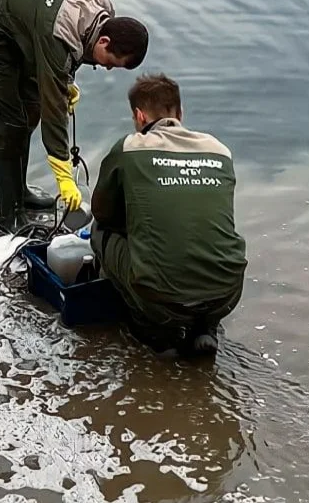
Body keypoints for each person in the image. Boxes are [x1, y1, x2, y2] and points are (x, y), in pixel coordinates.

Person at [0, 0, 149, 235]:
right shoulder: (60, 32)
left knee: (29, 114)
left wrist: (65, 82)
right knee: (9, 125)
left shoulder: (101, 9)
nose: (106, 69)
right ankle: (7, 217)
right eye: (111, 63)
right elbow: (54, 112)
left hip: (19, 29)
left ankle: (17, 194)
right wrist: (64, 177)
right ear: (105, 40)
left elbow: (70, 53)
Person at [89, 73, 247, 356]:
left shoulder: (129, 147)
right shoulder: (219, 150)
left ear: (139, 116)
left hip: (160, 297)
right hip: (227, 292)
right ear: (181, 113)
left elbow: (103, 212)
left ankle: (155, 333)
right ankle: (205, 327)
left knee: (99, 231)